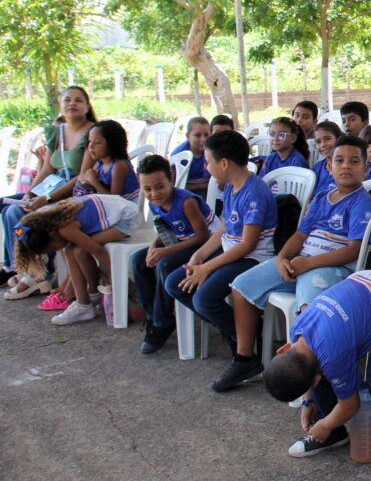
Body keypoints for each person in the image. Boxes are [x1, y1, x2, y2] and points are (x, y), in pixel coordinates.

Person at [224, 137, 371, 393]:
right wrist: (283, 258)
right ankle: (244, 358)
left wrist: (308, 264)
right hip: (303, 260)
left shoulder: (363, 202)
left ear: (365, 168)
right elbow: (300, 235)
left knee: (308, 313)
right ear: (329, 166)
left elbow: (352, 250)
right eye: (339, 160)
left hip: (334, 268)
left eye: (354, 161)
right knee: (240, 288)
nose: (346, 166)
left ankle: (310, 382)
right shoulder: (321, 197)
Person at [264, 270, 371, 481]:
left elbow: (350, 405)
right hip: (369, 285)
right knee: (316, 364)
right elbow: (304, 368)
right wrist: (308, 401)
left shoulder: (333, 355)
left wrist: (323, 424)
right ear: (283, 350)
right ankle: (335, 433)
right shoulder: (298, 330)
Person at [165, 130, 277, 388]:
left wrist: (207, 267)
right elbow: (225, 228)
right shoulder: (229, 187)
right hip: (228, 252)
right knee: (175, 283)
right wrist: (199, 255)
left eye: (208, 161)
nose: (206, 167)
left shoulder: (255, 192)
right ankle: (239, 334)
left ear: (224, 163)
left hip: (251, 258)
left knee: (203, 299)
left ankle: (245, 355)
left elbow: (248, 244)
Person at [1, 85, 97, 296]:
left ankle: (40, 274)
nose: (72, 103)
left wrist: (46, 198)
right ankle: (20, 266)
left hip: (76, 192)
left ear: (87, 106)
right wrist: (30, 193)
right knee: (8, 207)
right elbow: (47, 169)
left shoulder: (92, 133)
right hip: (51, 186)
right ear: (61, 106)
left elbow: (82, 176)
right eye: (67, 100)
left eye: (78, 100)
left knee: (22, 214)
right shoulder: (57, 132)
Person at [131, 155, 217, 354]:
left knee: (165, 264)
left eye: (159, 186)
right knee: (138, 260)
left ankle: (163, 323)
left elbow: (202, 237)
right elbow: (166, 232)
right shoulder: (154, 202)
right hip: (182, 242)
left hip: (208, 247)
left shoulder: (186, 202)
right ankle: (152, 316)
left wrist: (165, 252)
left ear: (171, 178)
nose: (154, 193)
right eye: (147, 189)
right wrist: (154, 247)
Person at [14, 194, 138, 326]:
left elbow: (98, 251)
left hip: (127, 217)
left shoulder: (64, 228)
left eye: (54, 247)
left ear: (52, 234)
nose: (57, 250)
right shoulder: (51, 221)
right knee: (71, 250)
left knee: (79, 250)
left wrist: (124, 282)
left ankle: (88, 299)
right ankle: (86, 300)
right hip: (118, 210)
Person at [169, 116, 211, 194]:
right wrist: (203, 185)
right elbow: (175, 186)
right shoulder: (178, 156)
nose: (203, 139)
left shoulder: (212, 151)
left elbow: (215, 182)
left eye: (206, 135)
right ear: (188, 136)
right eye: (198, 135)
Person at [311, 120, 342, 195]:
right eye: (318, 142)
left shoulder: (345, 167)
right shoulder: (317, 168)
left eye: (327, 139)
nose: (322, 145)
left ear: (339, 139)